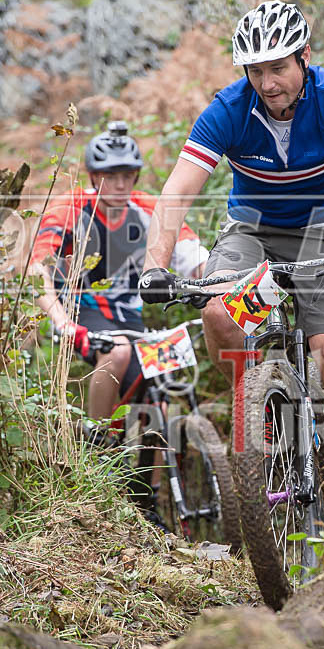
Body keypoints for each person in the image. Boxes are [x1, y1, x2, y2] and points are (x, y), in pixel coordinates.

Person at [138, 0, 324, 498]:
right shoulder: (229, 109)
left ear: (303, 56)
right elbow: (175, 194)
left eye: (278, 67)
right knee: (219, 316)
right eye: (255, 70)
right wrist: (155, 267)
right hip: (252, 232)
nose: (268, 82)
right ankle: (258, 406)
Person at [31, 121, 208, 433]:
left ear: (136, 176)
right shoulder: (69, 207)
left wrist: (215, 285)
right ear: (94, 176)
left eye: (127, 175)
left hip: (130, 316)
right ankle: (97, 446)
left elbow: (194, 257)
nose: (119, 184)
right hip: (82, 313)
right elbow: (36, 271)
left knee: (159, 401)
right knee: (118, 350)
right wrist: (62, 322)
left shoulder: (147, 207)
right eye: (110, 176)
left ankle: (150, 483)